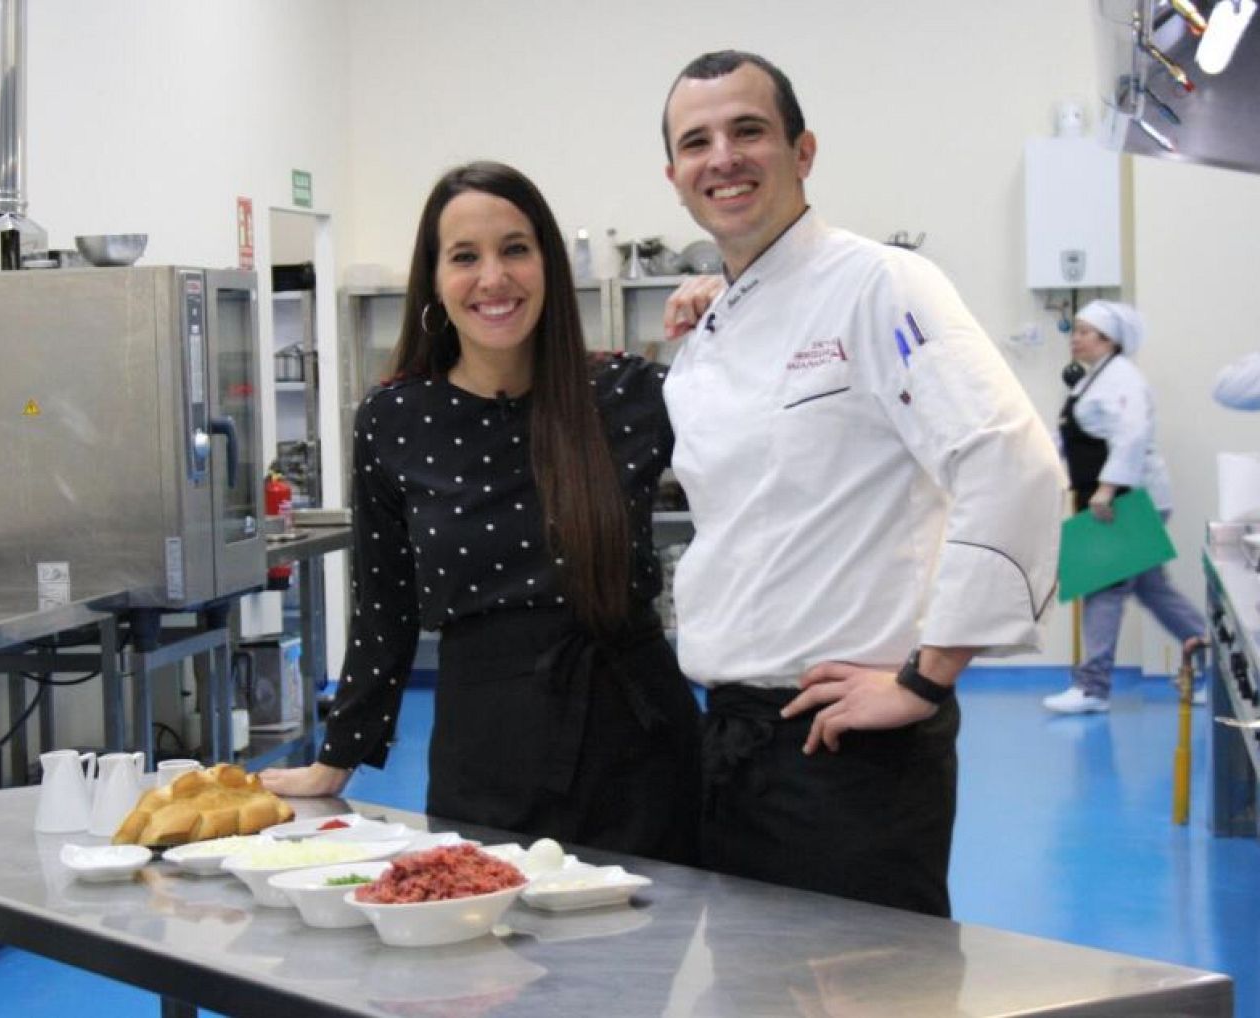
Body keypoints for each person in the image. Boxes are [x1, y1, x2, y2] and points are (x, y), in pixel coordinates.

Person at [657, 50, 1064, 916]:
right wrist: (713, 299)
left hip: (845, 751)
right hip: (732, 740)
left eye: (748, 131)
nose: (722, 157)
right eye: (697, 142)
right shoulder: (717, 320)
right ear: (675, 176)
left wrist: (925, 679)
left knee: (871, 979)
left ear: (803, 151)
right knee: (750, 981)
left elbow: (1009, 459)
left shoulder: (881, 285)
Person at [260, 161, 701, 864]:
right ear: (434, 279)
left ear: (548, 264)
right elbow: (384, 607)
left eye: (515, 249)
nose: (493, 278)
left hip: (638, 744)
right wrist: (338, 755)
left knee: (646, 934)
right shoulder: (396, 418)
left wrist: (736, 309)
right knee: (487, 930)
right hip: (484, 747)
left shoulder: (631, 394)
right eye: (465, 256)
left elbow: (776, 474)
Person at [1042, 300, 1206, 714]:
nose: (1075, 338)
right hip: (1111, 499)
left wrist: (1107, 488)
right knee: (1153, 590)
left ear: (1110, 340)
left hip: (1125, 500)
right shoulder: (1091, 381)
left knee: (1104, 588)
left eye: (1085, 332)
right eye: (1075, 330)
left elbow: (1132, 436)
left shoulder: (1123, 379)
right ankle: (1218, 668)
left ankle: (1092, 688)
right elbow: (1068, 438)